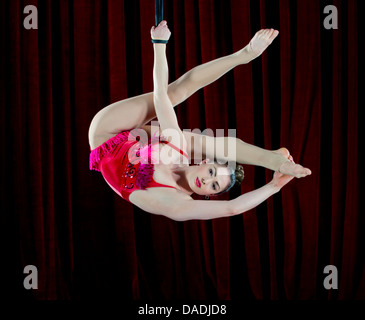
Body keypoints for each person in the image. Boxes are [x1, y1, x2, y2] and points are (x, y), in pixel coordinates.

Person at [88, 21, 311, 221]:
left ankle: (274, 161)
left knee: (191, 139)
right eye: (211, 173)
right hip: (122, 132)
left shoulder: (177, 204)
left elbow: (231, 208)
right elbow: (160, 96)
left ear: (210, 195)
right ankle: (245, 54)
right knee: (174, 95)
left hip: (103, 138)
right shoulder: (177, 150)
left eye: (213, 186)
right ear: (204, 162)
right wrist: (159, 44)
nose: (206, 181)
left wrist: (274, 186)